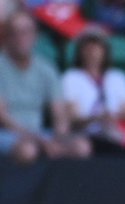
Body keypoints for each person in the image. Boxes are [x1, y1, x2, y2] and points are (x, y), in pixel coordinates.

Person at [0, 11, 91, 164]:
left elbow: (59, 113)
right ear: (6, 37)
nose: (21, 38)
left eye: (26, 32)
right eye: (15, 32)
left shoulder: (46, 68)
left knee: (82, 147)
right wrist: (38, 140)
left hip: (39, 133)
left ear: (35, 35)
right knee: (28, 150)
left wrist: (59, 136)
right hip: (7, 133)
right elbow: (3, 118)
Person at [62, 28, 125, 155]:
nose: (92, 51)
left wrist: (119, 115)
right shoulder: (71, 77)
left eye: (97, 46)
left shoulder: (119, 77)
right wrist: (97, 118)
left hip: (118, 132)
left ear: (105, 50)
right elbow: (72, 119)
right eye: (87, 46)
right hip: (87, 134)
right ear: (80, 50)